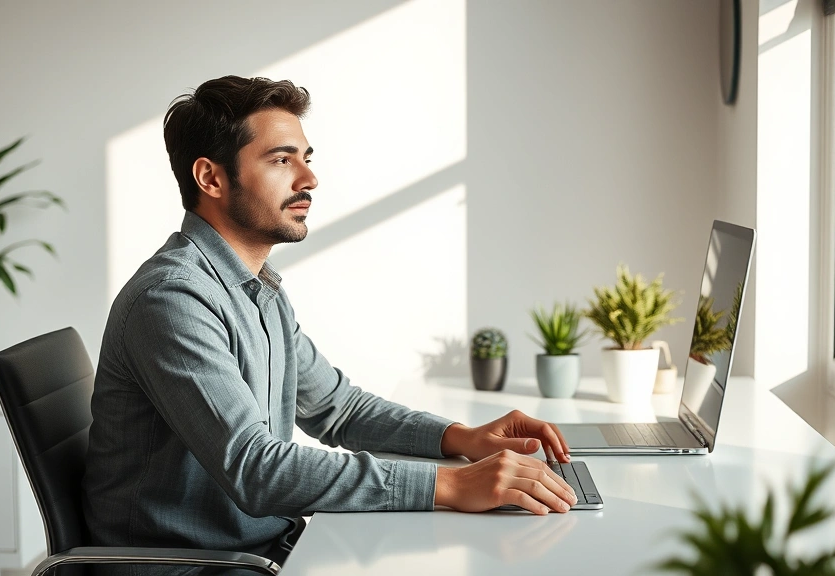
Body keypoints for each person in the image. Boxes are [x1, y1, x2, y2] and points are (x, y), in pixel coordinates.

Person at [82, 75, 577, 574]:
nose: (308, 179)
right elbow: (254, 469)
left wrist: (462, 438)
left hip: (260, 548)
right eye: (281, 160)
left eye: (306, 158)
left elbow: (338, 409)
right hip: (192, 565)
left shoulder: (259, 288)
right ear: (211, 178)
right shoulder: (172, 299)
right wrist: (447, 485)